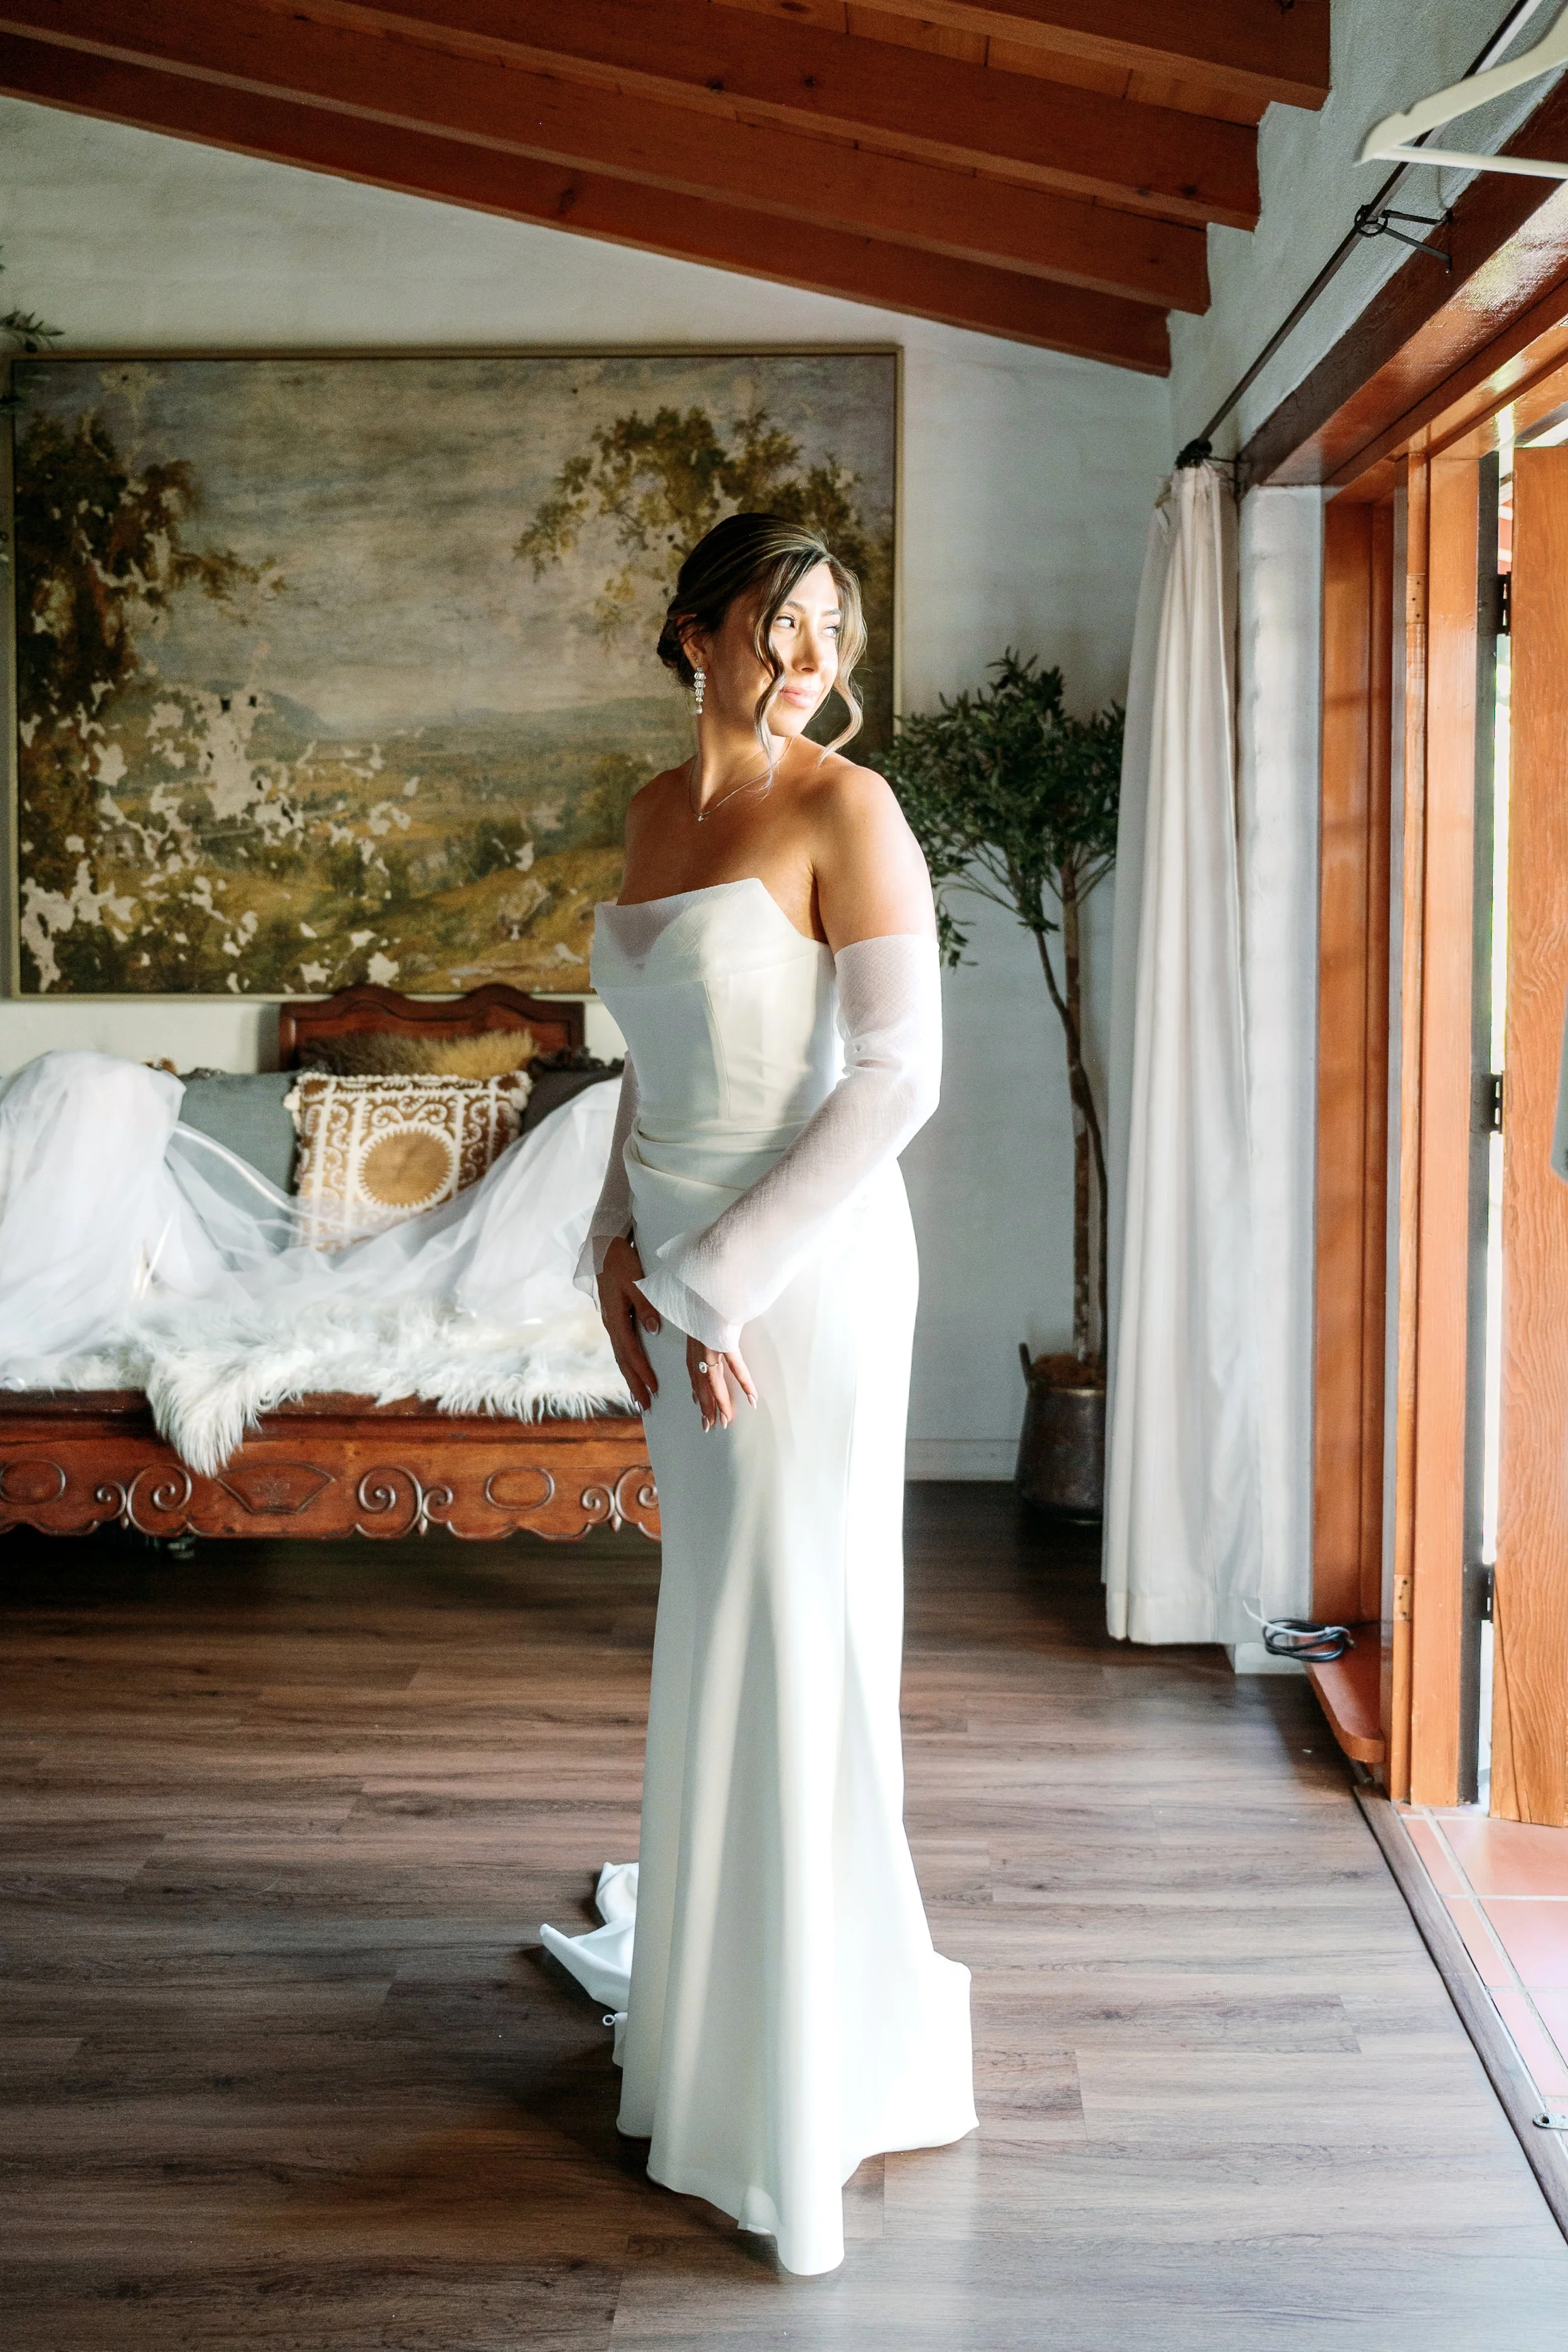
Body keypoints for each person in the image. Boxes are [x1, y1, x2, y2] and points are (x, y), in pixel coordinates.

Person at [569, 512, 976, 2276]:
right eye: (773, 617)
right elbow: (644, 1072)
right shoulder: (658, 817)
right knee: (716, 1621)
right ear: (692, 634)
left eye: (828, 624)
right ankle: (716, 2030)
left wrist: (717, 1277)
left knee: (793, 1622)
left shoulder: (845, 809)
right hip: (670, 1277)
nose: (805, 650)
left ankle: (801, 2075)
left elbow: (895, 1075)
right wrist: (613, 1248)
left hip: (797, 1281)